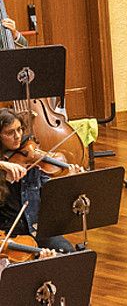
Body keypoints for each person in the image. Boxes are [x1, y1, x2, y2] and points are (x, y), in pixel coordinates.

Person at [0, 108, 76, 253]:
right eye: (10, 133)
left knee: (68, 251)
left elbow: (51, 189)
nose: (18, 136)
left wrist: (69, 179)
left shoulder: (30, 160)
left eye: (20, 129)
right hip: (8, 235)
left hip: (35, 229)